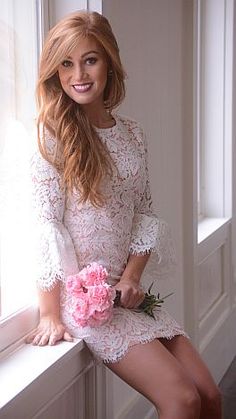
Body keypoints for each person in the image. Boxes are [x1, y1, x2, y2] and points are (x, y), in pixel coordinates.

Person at [27, 10, 222, 419]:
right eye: (66, 63)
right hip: (86, 304)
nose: (78, 74)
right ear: (55, 71)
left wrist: (132, 278)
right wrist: (48, 313)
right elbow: (48, 226)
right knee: (182, 400)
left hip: (127, 293)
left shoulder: (132, 133)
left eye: (90, 60)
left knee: (209, 395)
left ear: (109, 61)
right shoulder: (52, 135)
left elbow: (144, 215)